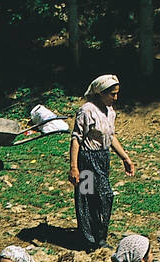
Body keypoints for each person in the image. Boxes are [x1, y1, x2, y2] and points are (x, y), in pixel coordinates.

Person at [69, 74, 135, 251]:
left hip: (102, 158)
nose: (115, 98)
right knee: (88, 197)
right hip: (87, 159)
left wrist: (125, 158)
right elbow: (76, 139)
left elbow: (111, 137)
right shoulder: (87, 111)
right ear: (100, 93)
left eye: (116, 94)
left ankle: (99, 236)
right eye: (112, 94)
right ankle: (90, 240)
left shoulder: (110, 111)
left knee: (103, 198)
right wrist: (74, 168)